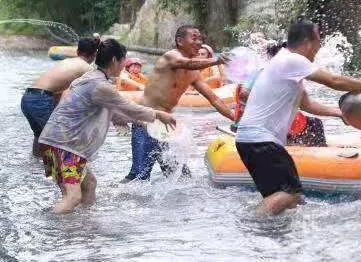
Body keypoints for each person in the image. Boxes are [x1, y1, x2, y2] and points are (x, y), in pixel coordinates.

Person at [235, 20, 361, 216]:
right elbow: (334, 80)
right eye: (318, 41)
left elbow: (307, 104)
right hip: (260, 140)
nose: (319, 47)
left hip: (250, 140)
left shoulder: (285, 63)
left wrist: (339, 113)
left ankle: (268, 231)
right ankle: (253, 225)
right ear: (308, 42)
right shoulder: (292, 60)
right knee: (290, 194)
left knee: (285, 197)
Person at [37, 38, 176, 214]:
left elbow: (112, 110)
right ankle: (47, 225)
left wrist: (137, 121)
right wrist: (157, 114)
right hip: (63, 145)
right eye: (124, 60)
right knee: (72, 197)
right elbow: (127, 106)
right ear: (115, 60)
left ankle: (83, 223)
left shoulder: (92, 79)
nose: (124, 65)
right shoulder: (100, 85)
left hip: (60, 143)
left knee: (89, 185)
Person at [122, 25, 233, 182]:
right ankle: (111, 194)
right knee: (138, 178)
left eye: (200, 39)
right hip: (145, 122)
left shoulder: (194, 74)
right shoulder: (170, 57)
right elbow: (186, 63)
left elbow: (214, 99)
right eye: (194, 38)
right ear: (180, 41)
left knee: (182, 179)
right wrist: (216, 60)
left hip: (165, 126)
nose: (199, 42)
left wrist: (235, 118)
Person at [20, 36, 100, 156]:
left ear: (77, 51)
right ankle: (65, 166)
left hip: (28, 98)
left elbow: (57, 93)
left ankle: (35, 163)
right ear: (94, 55)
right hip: (40, 100)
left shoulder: (66, 62)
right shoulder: (87, 68)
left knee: (40, 135)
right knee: (58, 139)